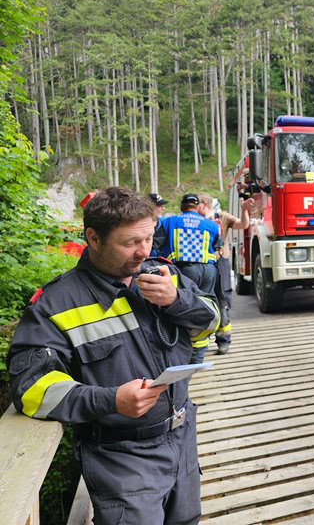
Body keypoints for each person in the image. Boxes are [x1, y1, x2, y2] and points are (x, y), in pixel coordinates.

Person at [7, 187, 219, 525]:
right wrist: (110, 400)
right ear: (93, 238)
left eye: (149, 238)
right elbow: (32, 388)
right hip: (123, 460)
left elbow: (213, 322)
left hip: (182, 438)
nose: (143, 252)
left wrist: (177, 300)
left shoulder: (164, 276)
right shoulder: (56, 304)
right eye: (129, 243)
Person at [160, 193, 221, 363]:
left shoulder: (170, 222)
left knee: (184, 307)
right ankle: (199, 355)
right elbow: (217, 247)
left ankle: (184, 355)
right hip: (209, 270)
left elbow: (156, 246)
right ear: (197, 206)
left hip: (184, 271)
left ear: (182, 206)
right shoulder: (211, 225)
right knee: (205, 307)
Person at [197, 192, 255, 354]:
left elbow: (242, 225)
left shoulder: (222, 217)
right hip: (201, 264)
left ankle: (223, 340)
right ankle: (200, 341)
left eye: (196, 204)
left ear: (204, 205)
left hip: (220, 262)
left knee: (222, 299)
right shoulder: (195, 221)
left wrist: (244, 211)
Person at [148, 192, 168, 257]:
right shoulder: (138, 224)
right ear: (150, 206)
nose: (163, 208)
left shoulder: (164, 222)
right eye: (160, 205)